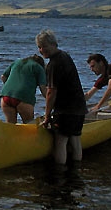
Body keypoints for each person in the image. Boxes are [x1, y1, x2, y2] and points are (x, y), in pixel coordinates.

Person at [36, 29, 87, 165]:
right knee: (75, 139)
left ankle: (60, 173)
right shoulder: (65, 56)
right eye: (39, 47)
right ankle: (75, 171)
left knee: (60, 142)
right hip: (79, 107)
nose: (42, 50)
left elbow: (51, 92)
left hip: (66, 109)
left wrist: (47, 116)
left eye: (44, 46)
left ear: (54, 44)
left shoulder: (54, 64)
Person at [0, 55, 47, 123]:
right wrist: (51, 102)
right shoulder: (38, 67)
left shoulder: (17, 62)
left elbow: (3, 77)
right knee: (29, 124)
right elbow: (43, 89)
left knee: (10, 125)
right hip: (23, 98)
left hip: (6, 96)